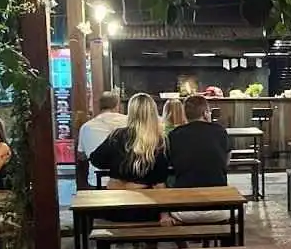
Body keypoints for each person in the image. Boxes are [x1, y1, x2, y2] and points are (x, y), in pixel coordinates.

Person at [168, 94, 230, 223]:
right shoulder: (220, 131)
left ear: (185, 115)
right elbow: (226, 161)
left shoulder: (174, 134)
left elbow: (171, 164)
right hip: (220, 209)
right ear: (205, 113)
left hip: (183, 211)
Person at [90, 92, 169, 187]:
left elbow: (96, 160)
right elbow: (163, 173)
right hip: (151, 192)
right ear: (153, 113)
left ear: (131, 112)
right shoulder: (161, 140)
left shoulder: (118, 135)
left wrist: (116, 166)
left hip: (121, 191)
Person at [77, 91, 128, 183]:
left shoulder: (86, 127)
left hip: (96, 180)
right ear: (117, 105)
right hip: (125, 181)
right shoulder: (129, 122)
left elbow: (81, 156)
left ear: (99, 106)